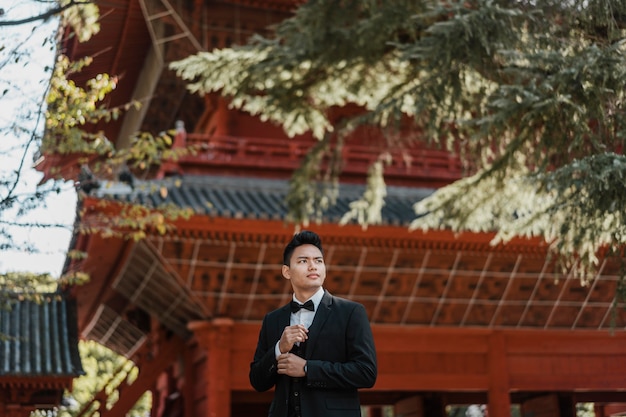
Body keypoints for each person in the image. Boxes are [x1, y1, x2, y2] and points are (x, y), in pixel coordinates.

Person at [249, 230, 377, 417]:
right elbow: (257, 381)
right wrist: (279, 349)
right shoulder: (273, 319)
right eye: (303, 261)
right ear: (286, 271)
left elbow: (366, 372)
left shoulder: (351, 312)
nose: (312, 266)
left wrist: (308, 369)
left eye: (318, 261)